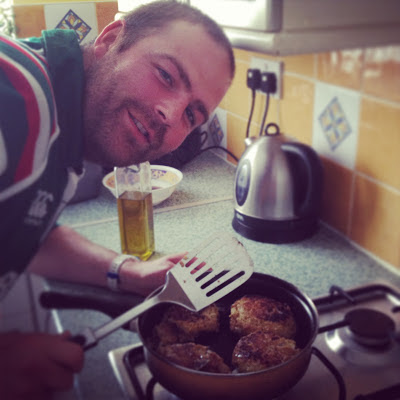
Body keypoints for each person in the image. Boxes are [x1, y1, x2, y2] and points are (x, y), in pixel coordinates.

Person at [0, 0, 235, 398]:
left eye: (192, 116)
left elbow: (26, 231)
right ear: (111, 40)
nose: (170, 113)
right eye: (165, 74)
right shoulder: (16, 96)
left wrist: (126, 272)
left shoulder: (62, 128)